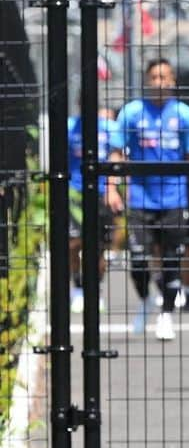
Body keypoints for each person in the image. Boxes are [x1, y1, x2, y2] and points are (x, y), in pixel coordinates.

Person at [107, 58, 189, 342]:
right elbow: (116, 152)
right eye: (154, 77)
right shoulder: (132, 112)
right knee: (138, 260)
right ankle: (145, 299)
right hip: (140, 198)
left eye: (165, 77)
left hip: (174, 199)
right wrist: (111, 188)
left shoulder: (184, 115)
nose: (160, 82)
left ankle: (166, 314)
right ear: (147, 81)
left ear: (173, 81)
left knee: (172, 258)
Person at [67, 100, 115, 314]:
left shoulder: (108, 128)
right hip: (74, 193)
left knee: (98, 247)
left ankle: (95, 290)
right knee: (73, 244)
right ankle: (77, 288)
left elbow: (118, 155)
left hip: (102, 194)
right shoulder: (69, 126)